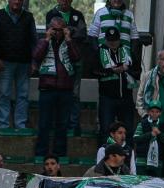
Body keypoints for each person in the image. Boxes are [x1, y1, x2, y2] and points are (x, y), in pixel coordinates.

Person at [32, 16, 79, 158]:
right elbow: (36, 56)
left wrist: (69, 39)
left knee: (62, 125)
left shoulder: (69, 43)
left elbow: (77, 57)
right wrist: (46, 39)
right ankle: (41, 153)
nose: (57, 33)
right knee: (44, 123)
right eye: (54, 30)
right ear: (49, 29)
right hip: (47, 88)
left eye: (60, 30)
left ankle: (60, 154)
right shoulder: (43, 42)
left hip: (65, 89)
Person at [0, 0, 35, 130]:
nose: (16, 2)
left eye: (19, 0)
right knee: (4, 94)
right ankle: (3, 125)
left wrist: (34, 62)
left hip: (24, 63)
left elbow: (34, 40)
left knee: (23, 95)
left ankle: (20, 126)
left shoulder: (29, 17)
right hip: (4, 63)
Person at [44, 0, 87, 136]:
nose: (64, 1)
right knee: (57, 94)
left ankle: (73, 125)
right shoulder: (51, 14)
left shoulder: (78, 14)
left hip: (75, 60)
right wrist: (67, 30)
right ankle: (58, 125)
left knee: (74, 94)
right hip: (58, 61)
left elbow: (82, 34)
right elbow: (52, 34)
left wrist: (66, 30)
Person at [95, 27, 136, 137]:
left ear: (119, 39)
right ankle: (105, 153)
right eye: (110, 41)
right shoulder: (99, 52)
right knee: (106, 129)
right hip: (107, 97)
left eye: (115, 40)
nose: (113, 43)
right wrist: (111, 71)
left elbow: (138, 71)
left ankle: (127, 153)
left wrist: (126, 69)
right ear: (106, 40)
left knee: (128, 130)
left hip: (126, 97)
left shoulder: (127, 52)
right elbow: (94, 71)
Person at [132, 103, 164, 176]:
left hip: (158, 162)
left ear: (160, 113)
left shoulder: (163, 125)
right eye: (152, 111)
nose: (154, 114)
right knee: (141, 184)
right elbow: (136, 138)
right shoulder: (142, 124)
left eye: (157, 112)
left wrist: (159, 134)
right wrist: (150, 134)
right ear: (148, 112)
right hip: (142, 161)